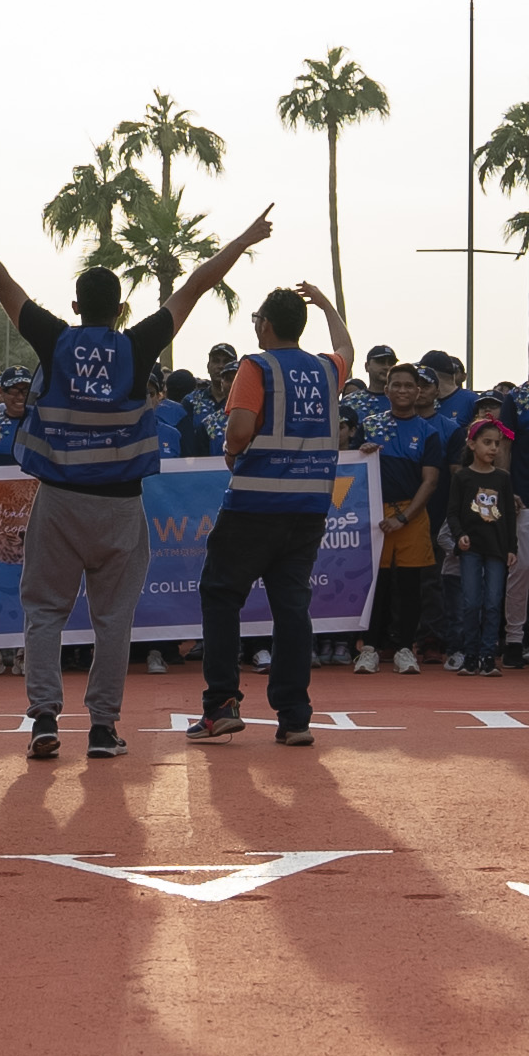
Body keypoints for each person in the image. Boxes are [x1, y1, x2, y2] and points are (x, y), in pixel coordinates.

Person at [0, 194, 272, 765]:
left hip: (60, 501)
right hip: (120, 507)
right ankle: (102, 729)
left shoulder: (54, 338)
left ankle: (44, 720)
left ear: (74, 305)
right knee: (114, 621)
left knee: (44, 613)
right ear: (120, 310)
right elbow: (193, 285)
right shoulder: (139, 346)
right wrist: (242, 240)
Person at [192, 281, 350, 744]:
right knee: (292, 607)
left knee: (221, 595)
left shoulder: (255, 367)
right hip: (309, 509)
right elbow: (347, 347)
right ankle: (295, 716)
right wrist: (325, 304)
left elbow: (239, 428)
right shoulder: (326, 369)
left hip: (254, 504)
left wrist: (229, 447)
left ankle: (221, 704)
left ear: (264, 324)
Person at [364, 366, 446, 673]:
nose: (402, 390)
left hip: (411, 515)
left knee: (411, 584)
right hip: (375, 514)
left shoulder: (429, 433)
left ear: (418, 391)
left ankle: (404, 648)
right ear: (386, 390)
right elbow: (356, 469)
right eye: (395, 385)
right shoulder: (370, 426)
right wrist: (363, 452)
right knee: (377, 584)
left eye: (408, 386)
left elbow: (430, 482)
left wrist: (403, 517)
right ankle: (370, 647)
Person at [446, 420, 519, 675]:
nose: (493, 449)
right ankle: (470, 654)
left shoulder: (502, 478)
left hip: (497, 549)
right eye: (487, 442)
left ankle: (488, 656)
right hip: (471, 549)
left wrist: (512, 547)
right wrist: (460, 535)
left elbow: (509, 514)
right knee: (471, 602)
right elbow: (453, 513)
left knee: (492, 602)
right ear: (472, 444)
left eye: (497, 444)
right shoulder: (462, 477)